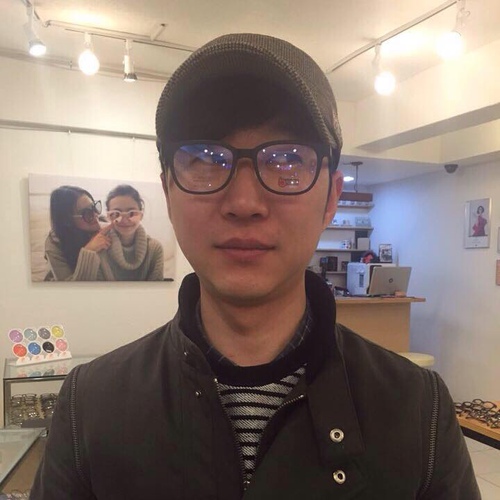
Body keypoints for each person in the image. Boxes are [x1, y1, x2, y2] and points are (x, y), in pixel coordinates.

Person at [31, 34, 480, 499]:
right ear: (168, 191)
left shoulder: (418, 411)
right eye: (205, 160)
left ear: (331, 198)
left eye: (287, 161)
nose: (244, 202)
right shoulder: (89, 407)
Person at [44, 185, 112, 281]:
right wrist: (89, 251)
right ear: (68, 220)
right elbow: (69, 287)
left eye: (95, 207)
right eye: (87, 213)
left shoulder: (105, 225)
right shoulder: (54, 242)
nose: (96, 214)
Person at [98, 184, 164, 280]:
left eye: (132, 213)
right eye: (116, 214)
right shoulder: (100, 247)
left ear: (141, 215)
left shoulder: (154, 249)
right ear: (108, 217)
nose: (124, 220)